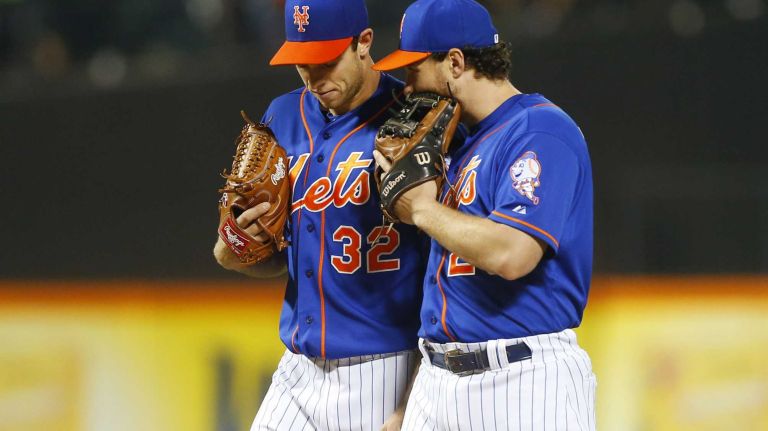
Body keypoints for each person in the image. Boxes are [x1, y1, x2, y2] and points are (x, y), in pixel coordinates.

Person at [371, 0, 597, 429]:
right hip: (438, 380)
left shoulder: (539, 130)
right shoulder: (457, 147)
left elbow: (512, 254)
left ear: (454, 62)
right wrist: (408, 405)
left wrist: (422, 209)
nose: (404, 86)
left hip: (521, 382)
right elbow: (445, 299)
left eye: (413, 70)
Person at [213, 1, 426, 429]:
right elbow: (263, 259)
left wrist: (414, 395)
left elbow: (440, 267)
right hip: (298, 364)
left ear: (364, 43)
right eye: (302, 63)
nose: (314, 77)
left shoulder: (413, 117)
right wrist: (236, 245)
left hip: (382, 367)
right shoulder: (284, 115)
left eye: (326, 60)